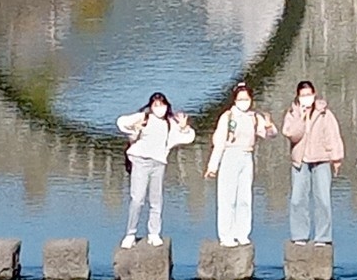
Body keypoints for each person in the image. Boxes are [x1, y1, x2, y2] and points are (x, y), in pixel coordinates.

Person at [118, 92, 195, 248]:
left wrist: (184, 127)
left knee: (156, 200)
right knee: (137, 199)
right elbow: (121, 123)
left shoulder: (169, 123)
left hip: (158, 163)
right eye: (156, 105)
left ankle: (154, 233)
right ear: (151, 107)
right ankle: (130, 234)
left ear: (167, 106)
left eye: (162, 105)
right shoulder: (144, 117)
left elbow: (189, 137)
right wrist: (135, 127)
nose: (159, 108)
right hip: (140, 161)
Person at [206, 83, 277, 247]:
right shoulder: (228, 116)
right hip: (230, 155)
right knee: (227, 198)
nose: (244, 102)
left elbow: (270, 135)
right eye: (240, 99)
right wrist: (213, 166)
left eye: (246, 99)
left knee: (245, 198)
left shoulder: (254, 117)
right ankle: (226, 235)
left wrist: (269, 125)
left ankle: (242, 233)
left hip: (247, 156)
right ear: (235, 100)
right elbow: (219, 142)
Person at [282, 80, 344, 247]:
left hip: (321, 159)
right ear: (298, 96)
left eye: (309, 94)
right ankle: (299, 234)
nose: (306, 98)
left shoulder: (324, 113)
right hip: (300, 160)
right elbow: (291, 134)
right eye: (303, 95)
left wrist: (336, 158)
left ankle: (323, 237)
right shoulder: (292, 113)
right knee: (297, 199)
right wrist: (301, 118)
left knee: (323, 199)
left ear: (314, 94)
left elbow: (333, 135)